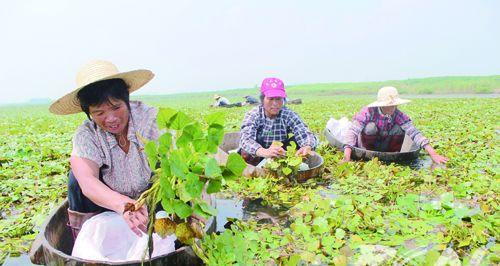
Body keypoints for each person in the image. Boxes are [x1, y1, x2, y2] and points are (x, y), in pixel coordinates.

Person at [49, 60, 158, 238]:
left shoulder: (148, 118)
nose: (111, 119)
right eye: (99, 113)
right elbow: (87, 182)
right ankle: (84, 236)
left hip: (151, 196)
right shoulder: (87, 134)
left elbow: (178, 159)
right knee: (75, 177)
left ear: (127, 101)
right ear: (89, 113)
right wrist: (122, 204)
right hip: (104, 204)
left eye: (116, 107)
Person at [342, 86, 449, 164]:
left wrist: (433, 154)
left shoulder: (398, 115)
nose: (393, 108)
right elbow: (352, 132)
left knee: (399, 128)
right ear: (382, 105)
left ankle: (393, 154)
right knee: (370, 127)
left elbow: (414, 132)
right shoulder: (368, 112)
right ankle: (369, 154)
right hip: (367, 147)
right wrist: (347, 156)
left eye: (394, 105)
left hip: (386, 146)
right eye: (390, 105)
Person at [239, 77, 317, 165]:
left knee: (305, 143)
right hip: (259, 152)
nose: (275, 103)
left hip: (280, 151)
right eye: (270, 99)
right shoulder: (254, 114)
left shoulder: (287, 114)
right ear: (262, 99)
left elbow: (303, 131)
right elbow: (245, 139)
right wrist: (263, 152)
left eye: (278, 99)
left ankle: (286, 163)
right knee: (246, 152)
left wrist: (307, 145)